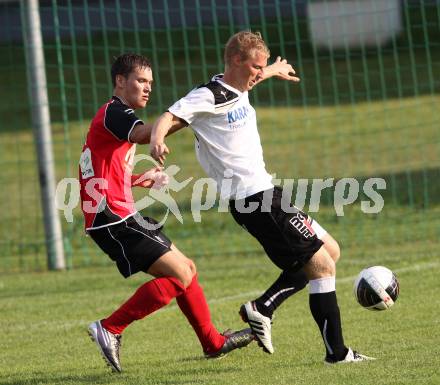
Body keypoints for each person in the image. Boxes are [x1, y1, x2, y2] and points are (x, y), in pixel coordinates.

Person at [150, 31, 374, 363]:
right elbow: (169, 115)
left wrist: (273, 70)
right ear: (235, 62)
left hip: (266, 194)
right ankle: (337, 353)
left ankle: (263, 307)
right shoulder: (208, 95)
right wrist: (156, 139)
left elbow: (252, 78)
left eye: (262, 68)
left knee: (328, 251)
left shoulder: (239, 87)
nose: (258, 73)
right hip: (255, 199)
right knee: (321, 265)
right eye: (255, 67)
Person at [79, 53, 254, 373]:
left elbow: (99, 173)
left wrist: (139, 180)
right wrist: (184, 116)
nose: (147, 88)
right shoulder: (114, 113)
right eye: (140, 81)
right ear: (120, 81)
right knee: (179, 274)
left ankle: (213, 342)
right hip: (113, 219)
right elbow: (145, 134)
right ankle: (111, 327)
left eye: (150, 83)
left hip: (117, 214)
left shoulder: (113, 119)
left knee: (187, 268)